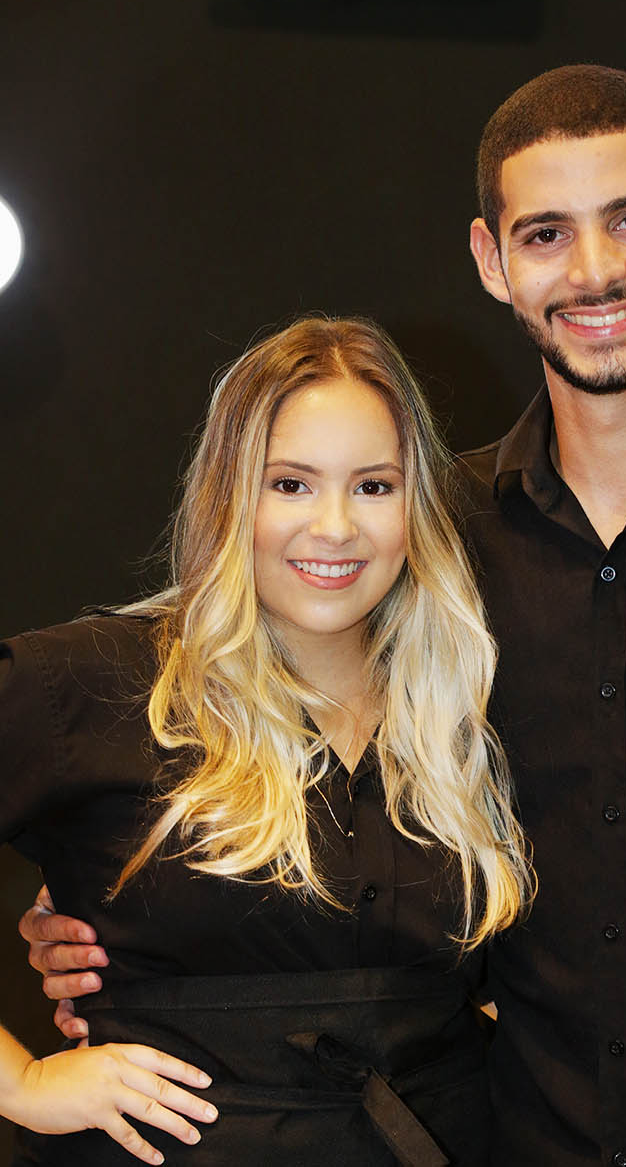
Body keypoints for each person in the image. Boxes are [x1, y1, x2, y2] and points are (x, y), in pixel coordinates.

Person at [21, 67, 626, 1167]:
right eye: (546, 234)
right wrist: (121, 906)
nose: (594, 270)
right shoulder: (434, 548)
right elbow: (307, 794)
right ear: (493, 261)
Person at [2, 315, 532, 1165]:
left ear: (417, 506)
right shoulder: (93, 681)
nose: (334, 526)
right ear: (229, 494)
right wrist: (24, 1084)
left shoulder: (463, 706)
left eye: (374, 485)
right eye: (290, 483)